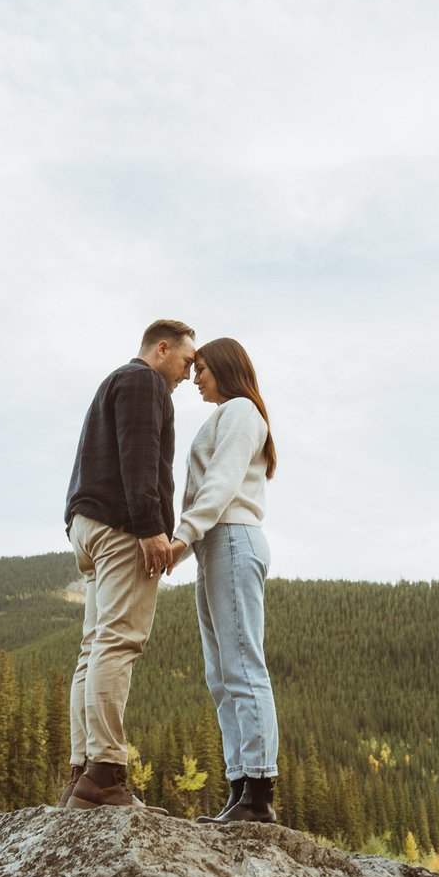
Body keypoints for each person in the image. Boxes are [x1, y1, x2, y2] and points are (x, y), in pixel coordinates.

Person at [61, 318, 197, 811]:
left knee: (93, 646)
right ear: (161, 349)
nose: (187, 375)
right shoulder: (143, 381)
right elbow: (140, 457)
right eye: (185, 362)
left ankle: (81, 774)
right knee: (119, 642)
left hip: (87, 525)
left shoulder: (113, 382)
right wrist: (150, 527)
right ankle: (105, 774)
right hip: (121, 525)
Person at [168, 337, 280, 824]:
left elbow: (221, 481)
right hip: (214, 545)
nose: (195, 378)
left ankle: (259, 790)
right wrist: (192, 541)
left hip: (231, 536)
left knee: (241, 664)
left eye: (203, 370)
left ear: (227, 370)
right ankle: (239, 785)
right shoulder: (227, 414)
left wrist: (181, 534)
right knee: (221, 673)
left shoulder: (240, 412)